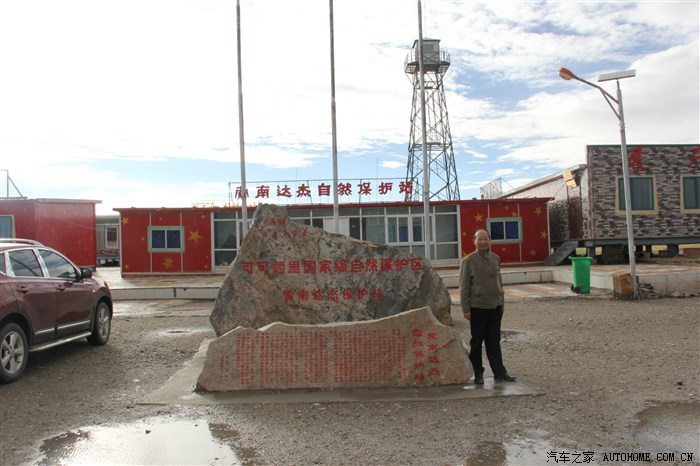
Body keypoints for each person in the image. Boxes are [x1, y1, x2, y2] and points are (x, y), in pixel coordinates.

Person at [460, 229, 516, 385]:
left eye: (486, 239)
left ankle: (500, 372)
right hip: (478, 307)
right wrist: (465, 309)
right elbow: (464, 287)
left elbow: (499, 282)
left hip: (495, 307)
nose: (483, 242)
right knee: (477, 342)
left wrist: (501, 303)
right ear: (474, 241)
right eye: (480, 239)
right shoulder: (468, 261)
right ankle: (478, 373)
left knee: (494, 341)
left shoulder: (495, 258)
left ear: (489, 241)